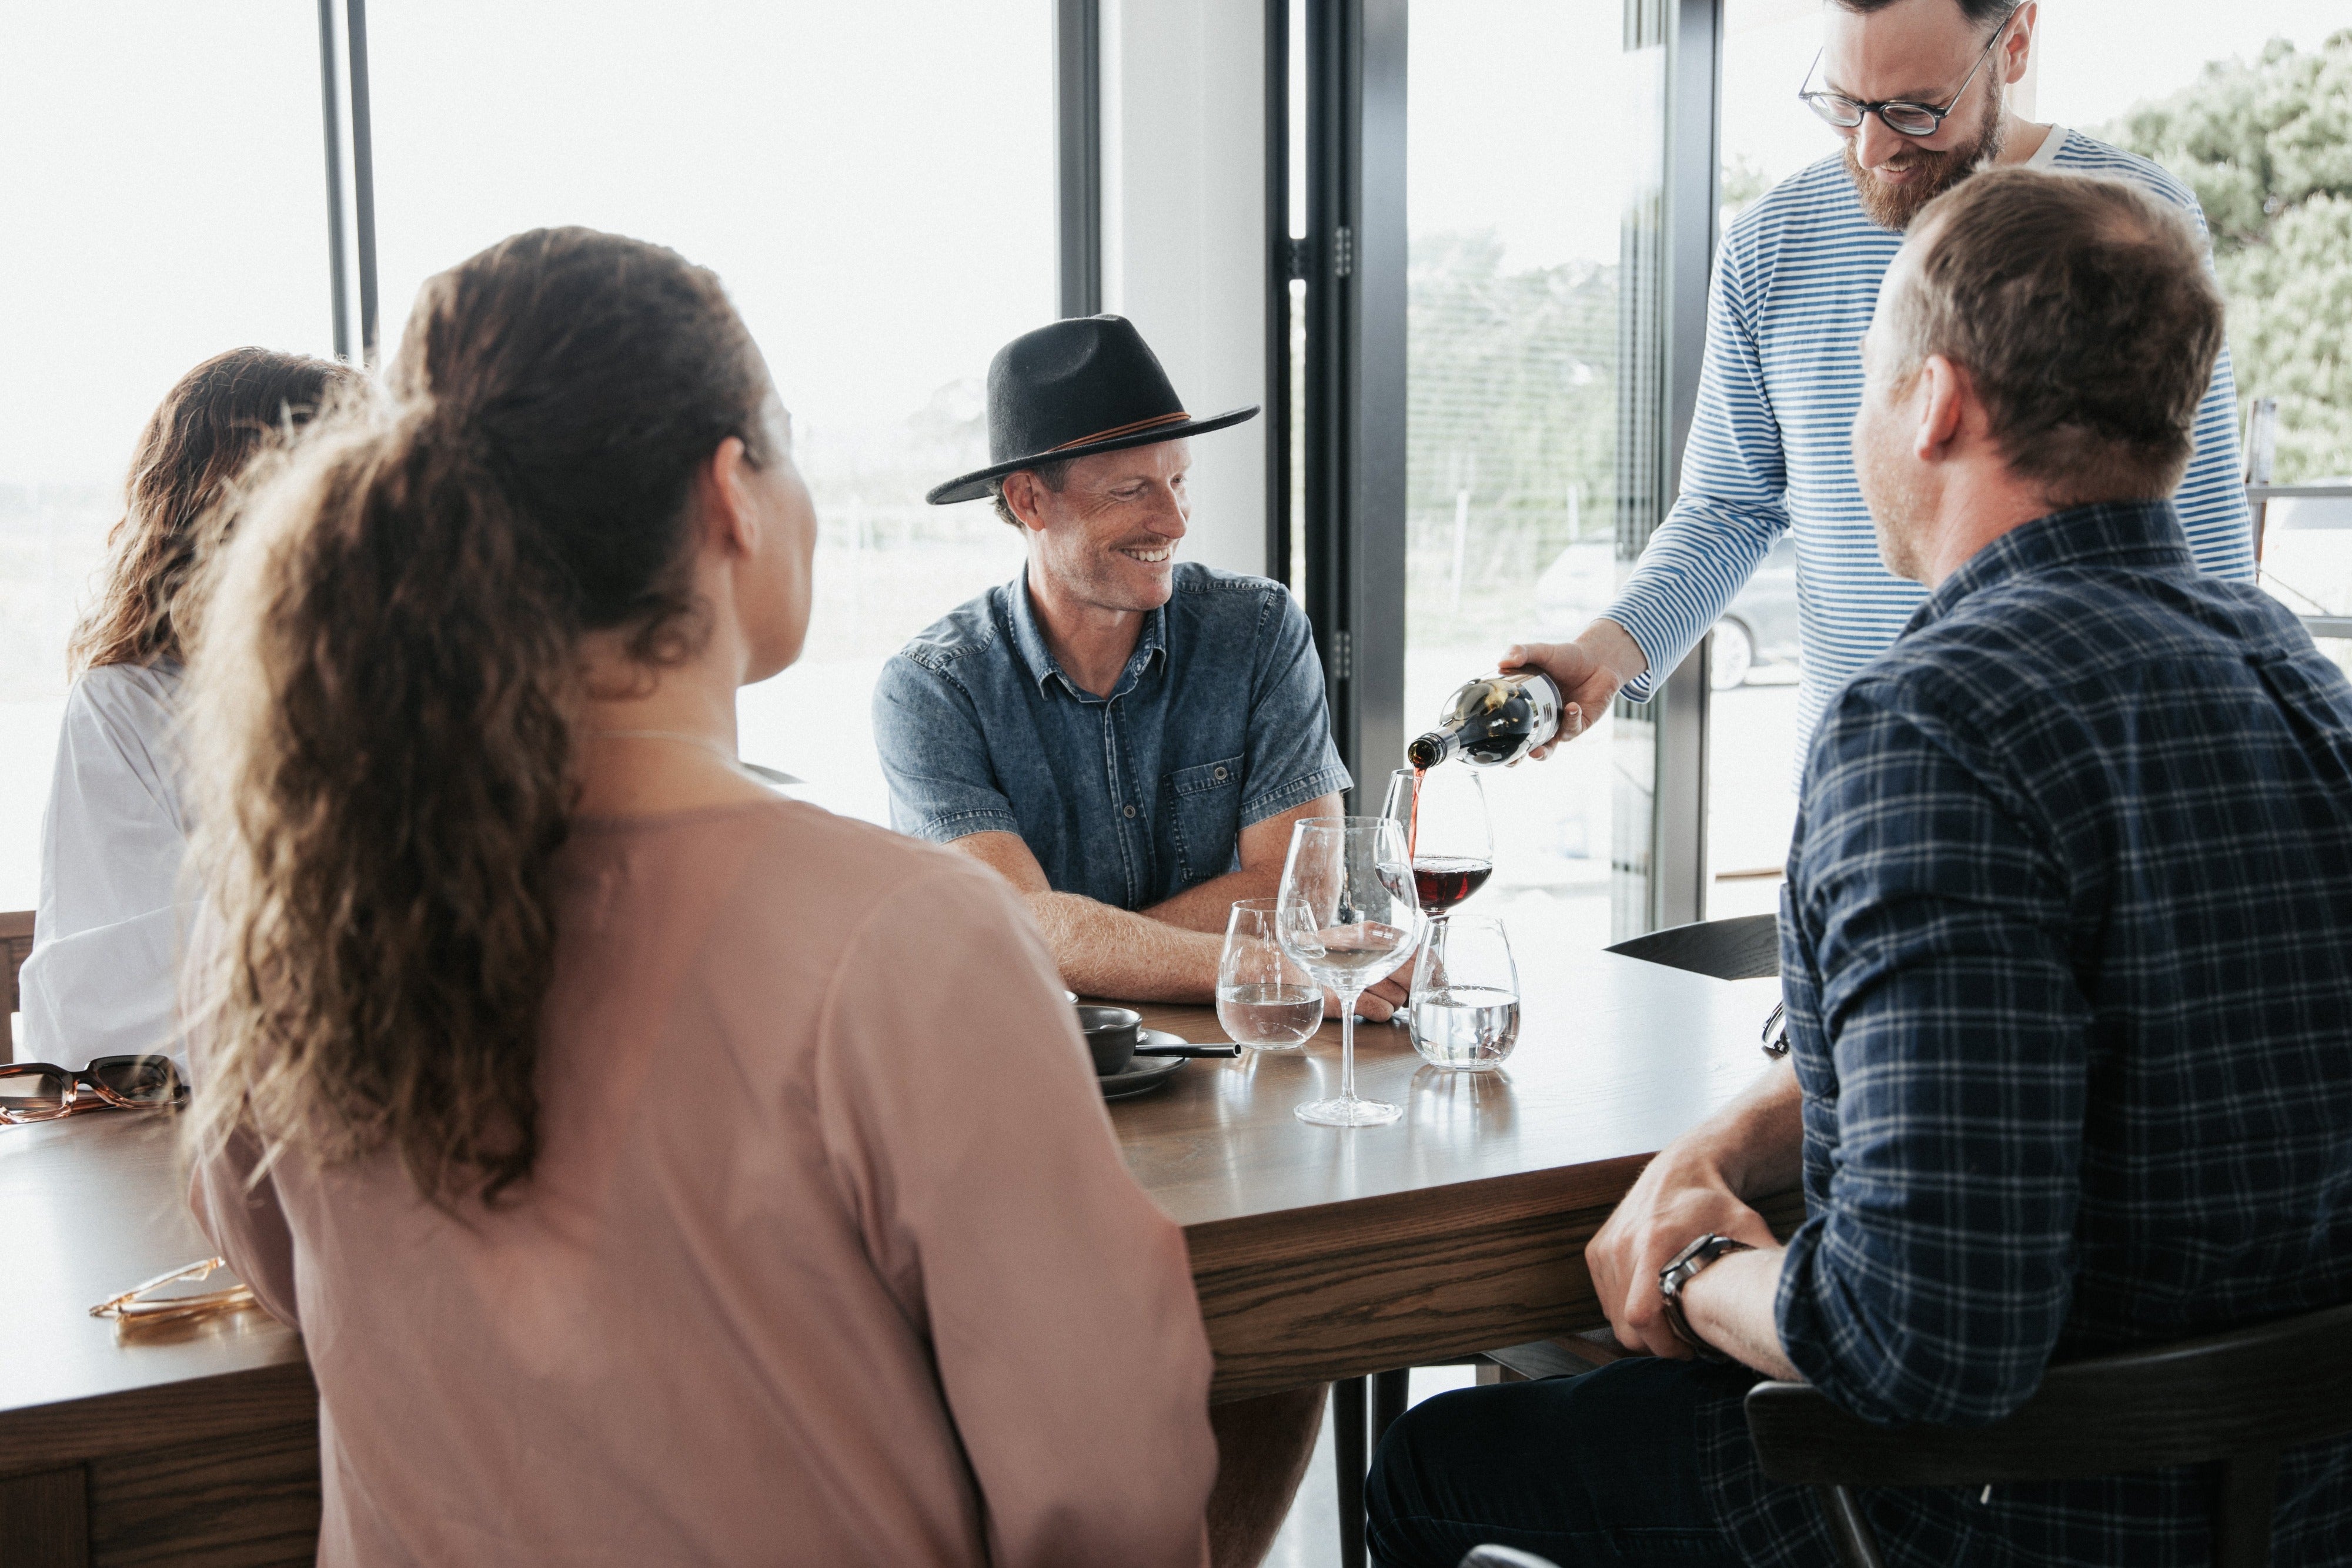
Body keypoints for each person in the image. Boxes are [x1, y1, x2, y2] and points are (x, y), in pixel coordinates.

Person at [182, 228, 1217, 1567]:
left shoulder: (278, 927)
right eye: (787, 446)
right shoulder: (901, 941)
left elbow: (290, 1284)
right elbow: (1105, 1501)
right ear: (731, 490)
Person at [1367, 170, 2352, 1566]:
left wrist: (1702, 1264)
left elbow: (1917, 1346)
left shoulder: (1929, 726)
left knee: (1437, 1462)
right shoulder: (2304, 693)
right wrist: (1713, 1161)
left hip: (1994, 1518)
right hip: (2289, 1511)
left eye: (1868, 380)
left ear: (1934, 403)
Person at [873, 313, 1369, 1566]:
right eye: (1131, 488)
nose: (1172, 516)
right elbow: (1013, 928)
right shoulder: (929, 686)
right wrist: (1240, 951)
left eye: (1178, 481)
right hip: (1035, 1105)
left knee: (1294, 1307)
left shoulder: (1256, 633)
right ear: (1024, 500)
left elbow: (1295, 886)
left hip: (1251, 1099)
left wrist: (1075, 937)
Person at [1504, 0, 2254, 758]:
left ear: (2014, 44)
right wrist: (1606, 651)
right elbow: (1727, 508)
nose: (1871, 148)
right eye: (1844, 103)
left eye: (1914, 109)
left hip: (2086, 771)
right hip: (1859, 769)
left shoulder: (2137, 222)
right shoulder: (1770, 247)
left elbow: (2207, 529)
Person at [18, 347, 355, 1075]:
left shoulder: (410, 687)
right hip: (195, 1131)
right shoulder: (125, 709)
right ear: (222, 512)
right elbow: (104, 1006)